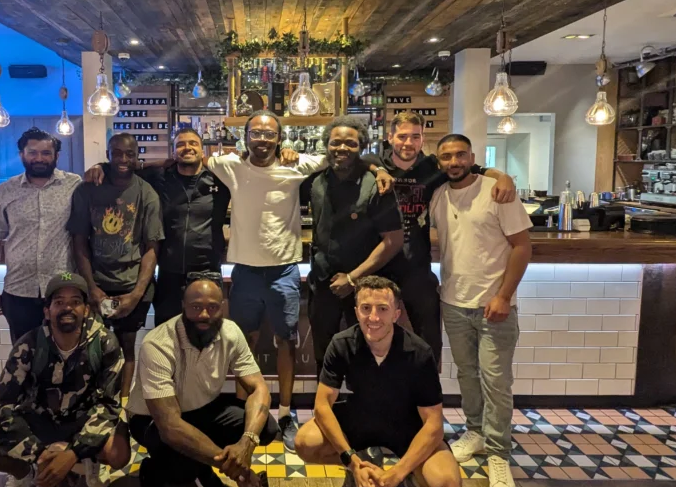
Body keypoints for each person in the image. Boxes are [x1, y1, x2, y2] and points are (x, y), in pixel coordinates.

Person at [207, 111, 392, 452]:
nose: (262, 139)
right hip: (244, 271)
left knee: (286, 342)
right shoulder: (229, 166)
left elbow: (348, 156)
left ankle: (286, 412)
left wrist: (379, 168)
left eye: (269, 134)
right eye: (256, 133)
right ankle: (242, 412)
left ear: (280, 139)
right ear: (246, 136)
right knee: (242, 343)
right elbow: (183, 159)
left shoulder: (298, 164)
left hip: (284, 270)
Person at [294, 275, 461, 487]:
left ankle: (415, 484)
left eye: (382, 309)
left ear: (396, 313)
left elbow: (433, 424)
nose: (373, 317)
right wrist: (352, 462)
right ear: (356, 311)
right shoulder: (341, 344)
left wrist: (396, 474)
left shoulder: (419, 352)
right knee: (304, 442)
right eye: (366, 308)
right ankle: (359, 471)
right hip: (360, 419)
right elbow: (322, 407)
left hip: (407, 427)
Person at [0, 272, 131, 487]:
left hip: (83, 420)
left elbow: (109, 406)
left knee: (118, 453)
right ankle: (23, 476)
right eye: (59, 302)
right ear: (47, 311)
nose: (67, 307)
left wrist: (72, 454)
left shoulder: (105, 343)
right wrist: (39, 454)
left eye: (75, 301)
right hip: (39, 421)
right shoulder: (28, 345)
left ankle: (88, 457)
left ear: (86, 310)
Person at [362, 111, 515, 361]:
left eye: (415, 137)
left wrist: (503, 177)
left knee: (428, 341)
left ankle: (427, 397)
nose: (408, 143)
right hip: (377, 265)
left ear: (423, 140)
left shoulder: (432, 167)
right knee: (373, 338)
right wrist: (378, 169)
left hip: (416, 266)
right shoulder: (374, 165)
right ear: (389, 137)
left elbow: (475, 169)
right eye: (402, 136)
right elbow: (362, 158)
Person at [128, 273, 278, 487]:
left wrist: (246, 443)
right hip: (151, 419)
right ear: (183, 307)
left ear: (223, 307)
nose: (204, 315)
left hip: (201, 408)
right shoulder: (158, 345)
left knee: (266, 427)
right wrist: (238, 470)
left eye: (212, 307)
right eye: (196, 307)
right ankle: (152, 474)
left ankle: (201, 464)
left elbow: (259, 388)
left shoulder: (231, 332)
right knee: (179, 469)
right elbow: (170, 427)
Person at [431, 134, 532, 487]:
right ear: (439, 161)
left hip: (494, 305)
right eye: (446, 157)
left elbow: (523, 246)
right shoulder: (438, 194)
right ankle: (474, 431)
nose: (453, 162)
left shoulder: (497, 191)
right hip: (453, 302)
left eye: (460, 155)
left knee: (496, 380)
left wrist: (504, 295)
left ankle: (499, 454)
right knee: (467, 373)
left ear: (472, 157)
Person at [85, 127, 230, 323]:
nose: (187, 148)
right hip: (168, 271)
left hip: (207, 270)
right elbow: (125, 165)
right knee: (165, 331)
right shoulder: (159, 176)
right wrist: (100, 166)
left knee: (206, 329)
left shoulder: (221, 179)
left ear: (203, 151)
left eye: (193, 143)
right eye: (180, 144)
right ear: (173, 152)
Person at [300, 116, 405, 371]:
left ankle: (365, 409)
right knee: (323, 354)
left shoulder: (376, 186)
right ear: (326, 146)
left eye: (351, 143)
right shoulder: (315, 181)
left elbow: (393, 240)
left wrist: (352, 278)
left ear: (362, 147)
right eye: (336, 142)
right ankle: (325, 408)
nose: (342, 148)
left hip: (365, 286)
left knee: (369, 351)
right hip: (323, 284)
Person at [69, 132, 164, 400]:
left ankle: (121, 406)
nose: (123, 159)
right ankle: (98, 401)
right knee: (91, 348)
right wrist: (92, 288)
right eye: (117, 153)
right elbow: (79, 242)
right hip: (95, 283)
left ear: (137, 157)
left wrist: (135, 295)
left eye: (129, 154)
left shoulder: (147, 194)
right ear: (108, 155)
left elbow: (151, 249)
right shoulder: (87, 189)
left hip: (131, 286)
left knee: (127, 348)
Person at [0, 127, 81, 342]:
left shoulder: (75, 185)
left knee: (66, 355)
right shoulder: (4, 191)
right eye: (32, 152)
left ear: (56, 156)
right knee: (23, 357)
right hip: (19, 290)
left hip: (63, 288)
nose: (39, 158)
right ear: (22, 155)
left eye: (46, 153)